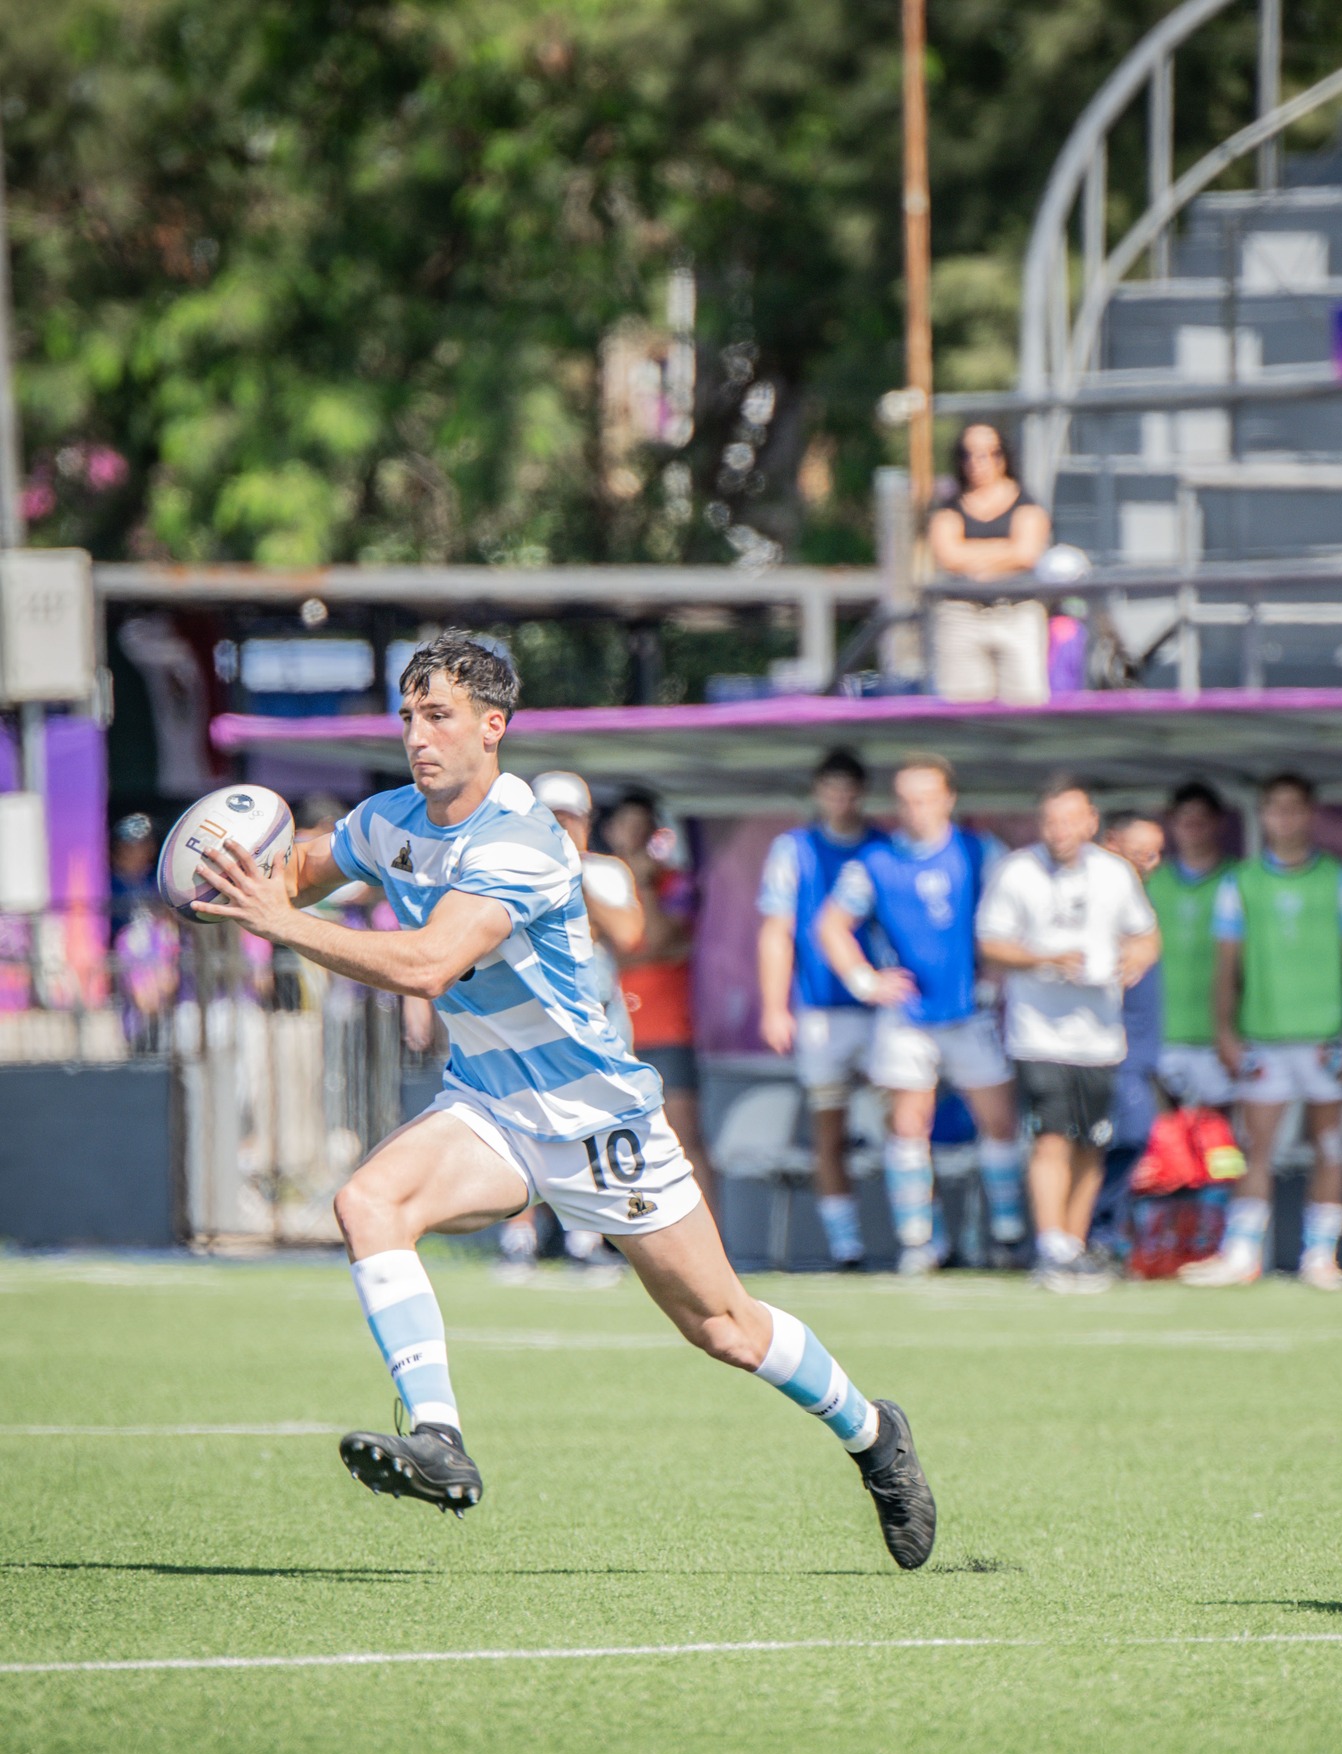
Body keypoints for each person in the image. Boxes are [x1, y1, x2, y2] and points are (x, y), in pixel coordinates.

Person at [188, 633, 935, 1568]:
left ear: (494, 727)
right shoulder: (390, 820)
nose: (419, 736)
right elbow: (305, 863)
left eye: (441, 716)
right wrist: (234, 867)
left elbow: (428, 963)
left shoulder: (524, 842)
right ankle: (439, 1439)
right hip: (493, 1108)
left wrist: (284, 924)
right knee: (368, 1202)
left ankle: (874, 1436)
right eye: (410, 717)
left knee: (724, 1328)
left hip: (598, 1121)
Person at [815, 752, 1028, 1275]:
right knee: (909, 1123)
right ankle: (918, 1242)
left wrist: (1002, 972)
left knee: (999, 1121)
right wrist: (865, 980)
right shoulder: (875, 862)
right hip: (907, 1016)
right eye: (907, 800)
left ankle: (1008, 1233)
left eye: (927, 798)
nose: (917, 809)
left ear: (948, 799)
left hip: (970, 1011)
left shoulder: (982, 852)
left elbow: (1016, 914)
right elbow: (830, 926)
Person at [1182, 772, 1342, 1291]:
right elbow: (1226, 968)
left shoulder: (1339, 878)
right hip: (1263, 1037)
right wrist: (1225, 1030)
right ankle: (1242, 1254)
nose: (1284, 818)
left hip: (1325, 1038)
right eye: (1275, 808)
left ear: (1311, 814)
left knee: (1329, 1146)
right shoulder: (1240, 881)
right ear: (1262, 816)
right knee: (1255, 1148)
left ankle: (1321, 1257)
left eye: (1294, 808)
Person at [976, 776, 1159, 1292]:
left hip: (1099, 1035)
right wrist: (1046, 958)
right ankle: (1051, 1244)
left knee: (1091, 1142)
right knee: (1052, 1137)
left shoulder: (1114, 874)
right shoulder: (1017, 871)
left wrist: (1134, 960)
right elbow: (992, 942)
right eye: (1050, 821)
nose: (1059, 831)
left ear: (1091, 821)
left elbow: (1145, 935)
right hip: (1039, 1034)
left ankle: (1073, 1247)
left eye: (1069, 819)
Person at [496, 769, 647, 1280]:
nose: (559, 827)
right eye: (550, 817)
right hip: (529, 1017)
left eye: (568, 818)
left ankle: (586, 1241)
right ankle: (519, 1241)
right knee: (521, 1124)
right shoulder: (507, 867)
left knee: (594, 1127)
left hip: (596, 1022)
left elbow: (629, 934)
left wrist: (568, 873)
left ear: (586, 821)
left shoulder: (605, 872)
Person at [756, 750, 885, 1272]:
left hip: (887, 1013)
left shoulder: (883, 847)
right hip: (822, 1012)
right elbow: (776, 932)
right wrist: (774, 1006)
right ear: (817, 792)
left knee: (905, 1121)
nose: (840, 799)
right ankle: (846, 1247)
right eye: (830, 787)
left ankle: (923, 1242)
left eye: (849, 788)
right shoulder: (794, 849)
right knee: (827, 1130)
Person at [604, 792, 712, 1220]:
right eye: (624, 827)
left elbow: (662, 940)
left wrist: (645, 886)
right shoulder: (598, 881)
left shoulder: (676, 881)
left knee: (684, 1139)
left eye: (641, 828)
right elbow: (620, 949)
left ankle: (713, 1240)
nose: (632, 837)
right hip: (613, 1030)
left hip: (668, 1029)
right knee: (617, 1142)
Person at [927, 421, 1053, 705]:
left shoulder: (1027, 502)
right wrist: (1003, 550)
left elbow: (1027, 553)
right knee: (965, 710)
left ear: (1004, 456)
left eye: (988, 453)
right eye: (967, 454)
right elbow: (948, 556)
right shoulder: (949, 506)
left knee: (1025, 705)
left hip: (1016, 612)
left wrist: (972, 555)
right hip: (962, 616)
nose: (977, 463)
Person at [1091, 810, 1167, 1261]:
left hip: (1141, 1047)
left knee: (1135, 1135)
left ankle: (1104, 1232)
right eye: (1141, 852)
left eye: (1156, 854)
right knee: (1101, 1139)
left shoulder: (1144, 902)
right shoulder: (1091, 897)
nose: (1150, 862)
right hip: (1089, 1046)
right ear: (1111, 845)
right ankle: (1082, 1233)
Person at [1148, 781, 1237, 1110]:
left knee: (1221, 1142)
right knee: (1167, 1141)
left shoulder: (1239, 879)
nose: (1192, 828)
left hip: (1220, 1037)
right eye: (1184, 819)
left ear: (1218, 823)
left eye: (1201, 819)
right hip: (1164, 1034)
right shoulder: (1154, 884)